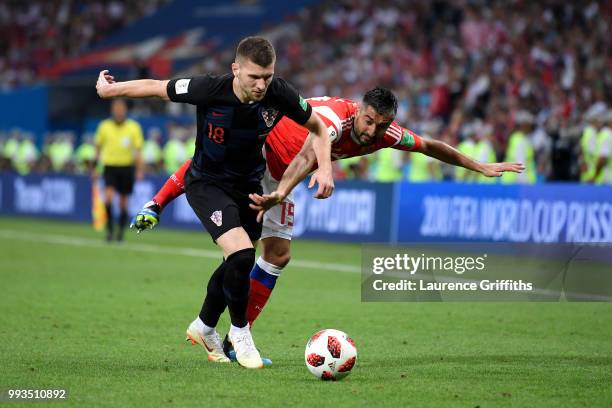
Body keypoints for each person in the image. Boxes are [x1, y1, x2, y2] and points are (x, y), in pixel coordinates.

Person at [131, 88, 524, 360]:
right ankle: (226, 328)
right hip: (264, 152)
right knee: (220, 193)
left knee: (276, 255)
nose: (371, 131)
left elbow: (430, 146)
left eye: (380, 125)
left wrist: (481, 166)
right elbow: (313, 146)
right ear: (360, 110)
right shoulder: (338, 115)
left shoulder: (384, 134)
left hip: (282, 176)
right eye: (369, 120)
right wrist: (322, 173)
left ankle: (220, 329)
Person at [96, 36, 334, 369]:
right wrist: (111, 91)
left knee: (235, 263)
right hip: (206, 183)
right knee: (242, 254)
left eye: (267, 76)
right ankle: (239, 332)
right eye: (254, 76)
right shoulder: (208, 88)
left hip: (249, 187)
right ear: (236, 69)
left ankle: (205, 325)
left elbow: (319, 128)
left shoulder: (279, 93)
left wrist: (325, 168)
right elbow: (155, 86)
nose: (261, 84)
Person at [93, 99, 144, 242]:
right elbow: (98, 148)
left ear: (125, 110)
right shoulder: (104, 126)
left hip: (126, 167)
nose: (119, 111)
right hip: (110, 167)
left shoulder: (133, 127)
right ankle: (109, 229)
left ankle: (120, 233)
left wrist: (140, 170)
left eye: (121, 108)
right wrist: (95, 168)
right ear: (112, 110)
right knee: (108, 198)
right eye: (116, 108)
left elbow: (138, 151)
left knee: (123, 203)